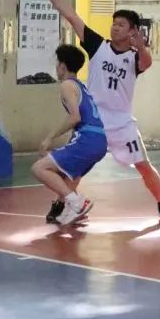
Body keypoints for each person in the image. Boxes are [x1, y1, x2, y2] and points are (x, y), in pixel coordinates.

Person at [31, 0, 160, 224]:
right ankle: (63, 202)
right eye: (114, 23)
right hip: (93, 121)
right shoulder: (98, 46)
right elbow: (72, 17)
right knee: (76, 168)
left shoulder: (134, 56)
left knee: (143, 165)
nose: (115, 27)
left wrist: (142, 47)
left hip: (122, 122)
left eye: (121, 25)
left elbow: (146, 63)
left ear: (133, 31)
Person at [32, 44, 108, 226]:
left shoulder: (67, 85)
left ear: (62, 66)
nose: (56, 67)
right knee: (71, 175)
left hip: (88, 139)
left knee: (38, 168)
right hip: (99, 141)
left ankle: (77, 203)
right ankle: (70, 209)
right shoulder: (81, 86)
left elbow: (75, 117)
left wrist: (49, 139)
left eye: (57, 63)